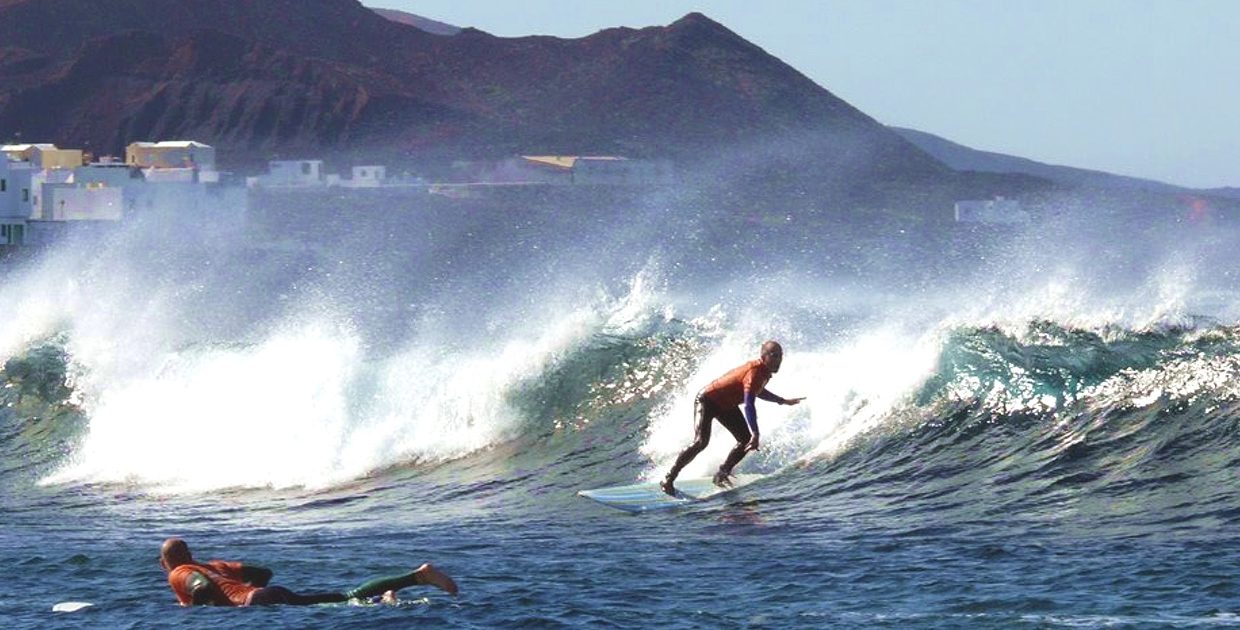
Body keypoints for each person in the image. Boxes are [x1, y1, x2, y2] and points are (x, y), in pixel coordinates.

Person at [661, 340, 803, 495]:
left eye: (780, 355)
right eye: (774, 355)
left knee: (744, 440)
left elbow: (759, 391)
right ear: (763, 356)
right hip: (707, 400)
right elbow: (749, 404)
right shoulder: (755, 372)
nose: (779, 359)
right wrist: (756, 433)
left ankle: (722, 474)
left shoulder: (764, 372)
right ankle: (668, 478)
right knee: (701, 442)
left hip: (725, 405)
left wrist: (782, 401)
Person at [159, 537, 458, 607]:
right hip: (265, 595)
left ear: (164, 564)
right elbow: (263, 572)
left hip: (259, 603)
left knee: (342, 604)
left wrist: (195, 609)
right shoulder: (215, 565)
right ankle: (409, 581)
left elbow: (199, 588)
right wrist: (247, 592)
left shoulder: (178, 573)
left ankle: (397, 591)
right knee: (345, 597)